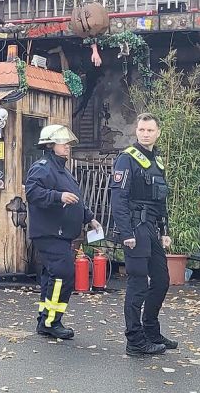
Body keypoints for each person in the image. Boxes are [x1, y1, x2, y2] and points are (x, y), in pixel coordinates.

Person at [24, 125, 102, 339]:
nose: (67, 146)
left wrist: (90, 218)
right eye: (63, 143)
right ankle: (51, 321)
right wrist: (58, 197)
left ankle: (46, 320)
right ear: (50, 145)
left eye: (68, 143)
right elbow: (32, 193)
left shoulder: (62, 171)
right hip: (50, 234)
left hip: (59, 234)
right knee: (63, 275)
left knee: (53, 277)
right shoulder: (43, 167)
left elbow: (75, 200)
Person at [111, 113, 176, 356]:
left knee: (161, 281)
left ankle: (150, 330)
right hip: (135, 227)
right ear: (136, 131)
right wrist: (126, 232)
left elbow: (161, 199)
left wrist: (165, 230)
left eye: (150, 130)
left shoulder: (157, 160)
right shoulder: (127, 159)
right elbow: (118, 199)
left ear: (158, 132)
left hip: (151, 227)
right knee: (138, 283)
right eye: (141, 130)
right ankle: (135, 340)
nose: (145, 133)